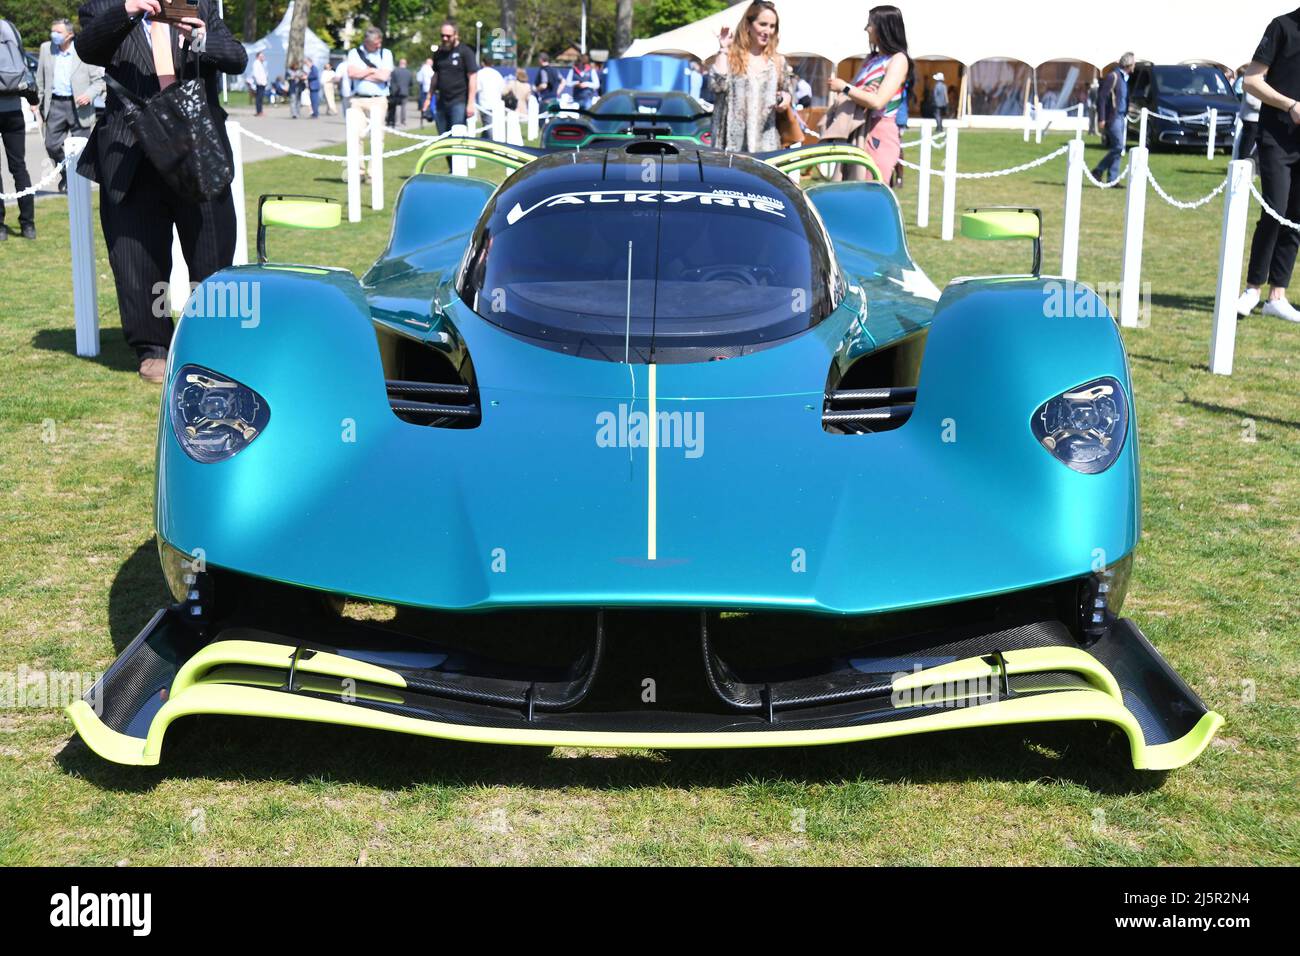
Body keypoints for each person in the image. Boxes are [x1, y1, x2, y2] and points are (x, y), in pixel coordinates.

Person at [74, 0, 246, 383]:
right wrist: (128, 10)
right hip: (129, 151)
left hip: (197, 150)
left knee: (212, 252)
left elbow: (236, 57)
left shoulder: (199, 4)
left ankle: (211, 342)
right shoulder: (104, 6)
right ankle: (154, 347)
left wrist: (199, 36)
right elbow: (89, 48)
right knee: (136, 257)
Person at [1237, 11, 1300, 322]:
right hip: (1276, 136)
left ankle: (1278, 295)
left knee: (1296, 216)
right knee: (1274, 209)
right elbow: (1251, 80)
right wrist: (1290, 105)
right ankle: (1252, 289)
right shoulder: (1282, 27)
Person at [822, 4, 909, 184]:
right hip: (857, 130)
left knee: (870, 191)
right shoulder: (872, 59)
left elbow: (878, 102)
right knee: (848, 189)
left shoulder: (898, 60)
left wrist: (845, 87)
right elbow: (858, 91)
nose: (866, 29)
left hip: (879, 133)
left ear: (884, 28)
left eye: (870, 24)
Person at [708, 1, 794, 153]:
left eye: (772, 26)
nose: (767, 30)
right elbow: (716, 85)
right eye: (763, 24)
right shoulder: (731, 57)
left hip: (766, 146)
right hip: (730, 147)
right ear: (748, 25)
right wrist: (723, 49)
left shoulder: (778, 62)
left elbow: (787, 92)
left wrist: (785, 99)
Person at [36, 18, 103, 194]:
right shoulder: (45, 49)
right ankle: (66, 174)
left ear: (70, 35)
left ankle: (78, 186)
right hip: (55, 105)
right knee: (51, 145)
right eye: (53, 31)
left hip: (79, 107)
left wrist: (88, 95)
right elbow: (41, 80)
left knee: (81, 149)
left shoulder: (83, 50)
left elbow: (98, 81)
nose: (54, 35)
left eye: (58, 32)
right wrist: (37, 104)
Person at [0, 14, 37, 239]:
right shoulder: (11, 28)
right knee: (19, 168)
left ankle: (1, 227)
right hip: (14, 108)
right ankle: (28, 224)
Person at [346, 26, 392, 181]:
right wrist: (372, 71)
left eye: (380, 42)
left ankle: (373, 172)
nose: (378, 45)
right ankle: (359, 171)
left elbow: (384, 76)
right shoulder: (354, 53)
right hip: (358, 99)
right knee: (356, 135)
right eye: (375, 43)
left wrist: (363, 72)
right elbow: (352, 74)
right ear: (367, 41)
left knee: (377, 137)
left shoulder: (386, 53)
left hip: (378, 99)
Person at [423, 20, 477, 140]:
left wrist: (471, 103)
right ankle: (451, 159)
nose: (445, 38)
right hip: (441, 102)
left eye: (448, 36)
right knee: (443, 138)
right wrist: (428, 98)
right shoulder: (438, 53)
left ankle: (459, 159)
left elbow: (473, 77)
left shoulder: (465, 52)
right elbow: (435, 76)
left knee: (457, 137)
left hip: (459, 101)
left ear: (456, 35)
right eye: (442, 35)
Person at [1092, 52, 1134, 184]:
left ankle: (1112, 178)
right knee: (1118, 146)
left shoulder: (1124, 78)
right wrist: (1102, 118)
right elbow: (1102, 98)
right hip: (1113, 117)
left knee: (1118, 147)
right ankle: (1099, 169)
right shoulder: (1113, 76)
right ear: (1129, 64)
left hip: (1121, 116)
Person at [476, 53, 505, 126]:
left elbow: (476, 89)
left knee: (489, 128)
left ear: (482, 63)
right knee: (490, 127)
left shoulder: (480, 73)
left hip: (485, 104)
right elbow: (503, 90)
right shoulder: (497, 74)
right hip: (497, 104)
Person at [387, 56, 412, 126]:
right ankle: (403, 121)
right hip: (405, 91)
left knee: (396, 107)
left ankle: (395, 120)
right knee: (404, 107)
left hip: (396, 92)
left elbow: (392, 82)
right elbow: (411, 83)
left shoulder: (395, 71)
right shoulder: (409, 72)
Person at [250, 49, 267, 116]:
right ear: (258, 57)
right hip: (260, 83)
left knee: (260, 98)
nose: (263, 58)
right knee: (259, 98)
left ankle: (260, 111)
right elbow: (256, 74)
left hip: (262, 83)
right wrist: (259, 82)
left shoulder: (260, 63)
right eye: (261, 56)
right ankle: (259, 111)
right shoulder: (256, 63)